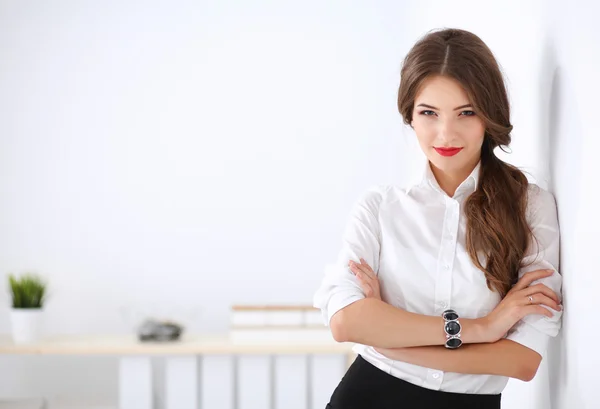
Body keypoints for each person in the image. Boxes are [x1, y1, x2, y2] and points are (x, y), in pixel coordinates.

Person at [312, 27, 563, 409]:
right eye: (428, 113)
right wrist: (483, 329)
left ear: (488, 116)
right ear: (409, 116)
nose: (445, 133)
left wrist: (387, 338)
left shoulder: (529, 207)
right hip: (367, 395)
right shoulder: (379, 207)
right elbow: (345, 323)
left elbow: (521, 360)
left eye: (466, 112)